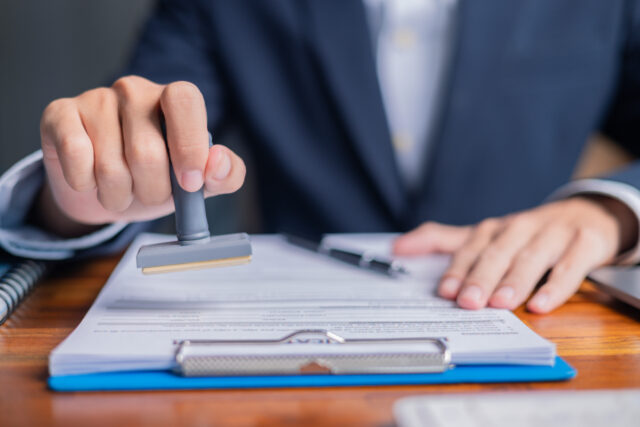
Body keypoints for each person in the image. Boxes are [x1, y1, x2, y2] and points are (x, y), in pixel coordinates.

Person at [1, 0, 639, 314]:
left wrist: (612, 211)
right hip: (297, 352)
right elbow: (138, 138)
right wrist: (78, 194)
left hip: (530, 319)